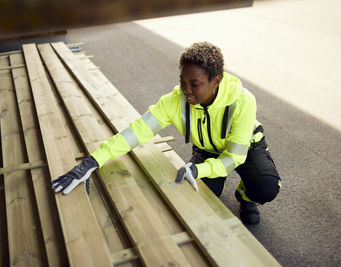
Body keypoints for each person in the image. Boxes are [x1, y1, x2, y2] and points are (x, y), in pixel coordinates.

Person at [52, 42, 282, 225]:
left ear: (216, 81)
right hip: (207, 150)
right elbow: (138, 131)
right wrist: (94, 160)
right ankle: (216, 181)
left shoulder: (243, 101)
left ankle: (246, 197)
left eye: (195, 83)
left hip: (244, 148)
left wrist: (199, 169)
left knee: (266, 187)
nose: (186, 91)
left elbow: (234, 157)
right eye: (182, 81)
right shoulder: (175, 101)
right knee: (200, 197)